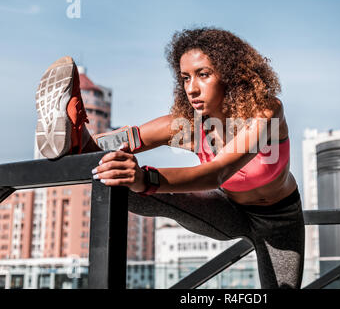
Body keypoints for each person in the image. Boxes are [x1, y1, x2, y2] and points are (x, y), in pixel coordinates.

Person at [34, 27, 305, 289]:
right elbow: (117, 143)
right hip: (228, 212)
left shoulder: (266, 113)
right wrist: (85, 142)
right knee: (117, 178)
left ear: (231, 75)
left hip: (280, 220)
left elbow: (219, 172)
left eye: (203, 74)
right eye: (186, 77)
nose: (192, 88)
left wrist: (147, 178)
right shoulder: (187, 127)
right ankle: (74, 128)